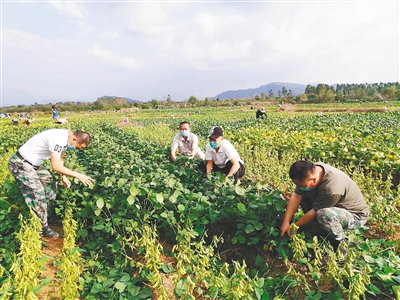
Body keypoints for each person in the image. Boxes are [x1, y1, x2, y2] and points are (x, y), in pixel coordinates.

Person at [8, 129, 95, 237]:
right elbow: (55, 166)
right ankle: (42, 228)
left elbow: (60, 160)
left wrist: (63, 176)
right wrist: (78, 175)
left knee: (50, 184)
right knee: (37, 193)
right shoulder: (58, 139)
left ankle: (46, 216)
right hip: (20, 164)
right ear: (74, 139)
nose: (75, 149)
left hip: (34, 165)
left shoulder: (66, 138)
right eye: (77, 147)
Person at [280, 160, 370, 255]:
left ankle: (341, 243)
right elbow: (296, 196)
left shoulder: (331, 189)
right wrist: (286, 222)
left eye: (301, 186)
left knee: (324, 214)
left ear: (313, 180)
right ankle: (318, 228)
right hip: (331, 205)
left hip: (355, 216)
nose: (300, 187)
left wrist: (294, 227)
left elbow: (315, 211)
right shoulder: (310, 172)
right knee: (305, 196)